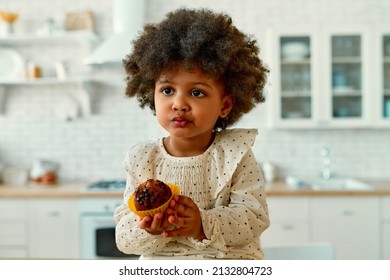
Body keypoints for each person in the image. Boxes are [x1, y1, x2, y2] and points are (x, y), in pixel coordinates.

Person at [114, 7, 270, 259]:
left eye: (196, 92)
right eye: (167, 90)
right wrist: (147, 230)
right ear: (151, 94)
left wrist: (202, 223)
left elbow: (254, 217)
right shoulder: (142, 158)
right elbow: (124, 239)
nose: (179, 104)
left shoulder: (235, 153)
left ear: (225, 105)